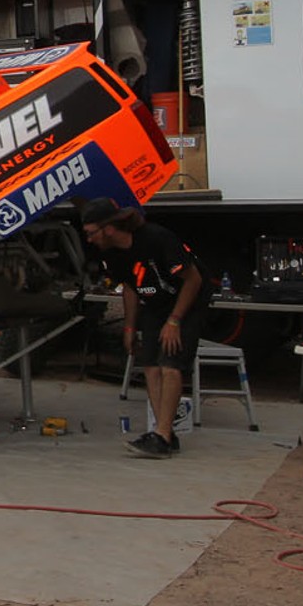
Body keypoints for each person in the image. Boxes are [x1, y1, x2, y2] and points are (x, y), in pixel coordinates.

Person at [81, 196, 208, 459]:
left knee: (170, 364)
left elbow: (193, 279)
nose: (89, 239)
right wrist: (129, 327)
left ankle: (161, 437)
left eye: (92, 233)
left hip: (186, 299)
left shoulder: (156, 238)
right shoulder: (112, 253)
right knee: (150, 363)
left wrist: (175, 321)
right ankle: (164, 433)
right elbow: (129, 286)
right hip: (154, 303)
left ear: (110, 228)